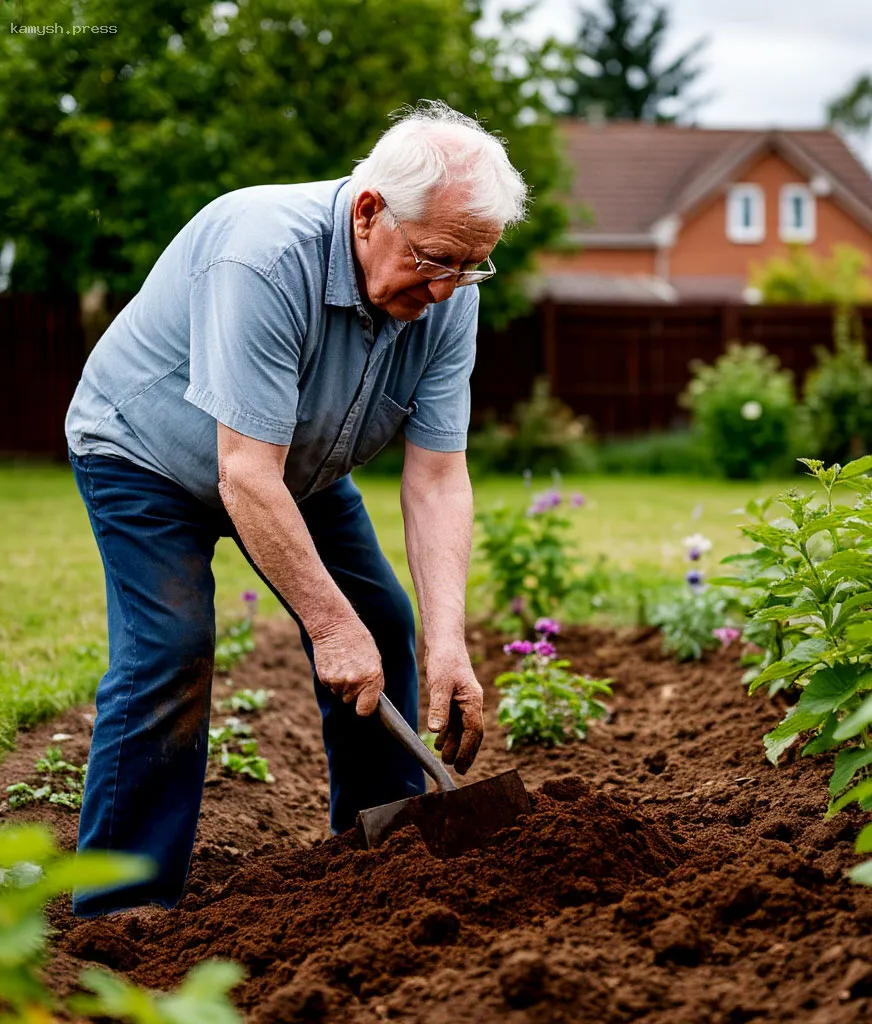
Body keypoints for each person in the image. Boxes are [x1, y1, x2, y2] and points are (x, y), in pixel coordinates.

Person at [64, 101, 528, 916]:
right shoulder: (263, 253)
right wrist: (325, 624)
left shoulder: (448, 293)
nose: (448, 285)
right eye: (436, 260)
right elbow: (243, 472)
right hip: (145, 452)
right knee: (169, 648)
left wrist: (448, 639)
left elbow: (438, 476)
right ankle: (122, 907)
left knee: (382, 621)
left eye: (471, 266)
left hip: (295, 470)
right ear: (369, 211)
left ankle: (382, 856)